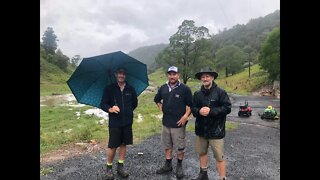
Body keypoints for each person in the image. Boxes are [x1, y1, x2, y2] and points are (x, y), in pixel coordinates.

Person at [191, 67, 231, 180]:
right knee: (202, 152)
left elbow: (227, 108)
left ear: (212, 77)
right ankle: (203, 174)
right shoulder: (197, 94)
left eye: (207, 76)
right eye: (203, 77)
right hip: (201, 130)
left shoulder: (221, 92)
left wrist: (211, 111)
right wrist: (198, 111)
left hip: (216, 131)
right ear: (200, 79)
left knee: (219, 157)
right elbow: (193, 108)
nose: (205, 79)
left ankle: (222, 177)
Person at [154, 66, 193, 178]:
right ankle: (168, 165)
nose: (172, 76)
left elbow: (191, 105)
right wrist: (160, 107)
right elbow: (156, 99)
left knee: (180, 147)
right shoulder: (163, 88)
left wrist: (185, 116)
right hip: (166, 123)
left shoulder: (185, 89)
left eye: (174, 74)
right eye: (170, 74)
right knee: (167, 145)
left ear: (178, 75)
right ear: (168, 75)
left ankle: (179, 166)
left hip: (178, 124)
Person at [100, 67, 138, 180]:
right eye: (119, 73)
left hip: (127, 122)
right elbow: (103, 104)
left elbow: (135, 103)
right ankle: (109, 168)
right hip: (115, 123)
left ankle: (120, 167)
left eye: (123, 73)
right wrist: (110, 109)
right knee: (112, 146)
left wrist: (128, 111)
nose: (121, 75)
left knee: (123, 144)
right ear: (116, 74)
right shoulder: (109, 89)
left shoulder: (131, 89)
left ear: (125, 75)